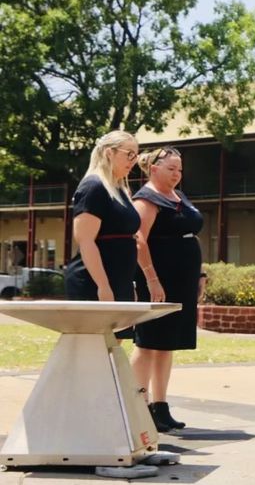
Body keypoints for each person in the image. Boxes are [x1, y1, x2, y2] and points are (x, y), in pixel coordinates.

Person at [129, 147, 205, 433]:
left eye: (180, 169)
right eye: (171, 168)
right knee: (149, 342)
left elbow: (189, 235)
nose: (177, 174)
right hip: (159, 280)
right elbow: (139, 240)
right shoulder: (146, 199)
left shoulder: (179, 197)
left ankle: (161, 407)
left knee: (168, 343)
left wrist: (200, 273)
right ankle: (139, 406)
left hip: (182, 280)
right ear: (154, 169)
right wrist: (151, 279)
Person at [64, 130, 140, 314]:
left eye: (136, 155)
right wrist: (103, 286)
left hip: (119, 279)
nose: (134, 160)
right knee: (93, 342)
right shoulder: (93, 187)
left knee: (115, 341)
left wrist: (128, 284)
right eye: (129, 154)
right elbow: (85, 240)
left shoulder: (120, 189)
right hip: (95, 281)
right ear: (109, 152)